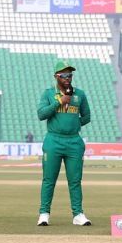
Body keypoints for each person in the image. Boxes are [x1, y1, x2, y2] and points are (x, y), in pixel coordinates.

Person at [36, 60, 92, 227]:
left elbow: (87, 117)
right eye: (64, 75)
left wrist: (73, 125)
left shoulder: (80, 94)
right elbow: (41, 114)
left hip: (74, 141)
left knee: (75, 180)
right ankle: (44, 214)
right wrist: (60, 102)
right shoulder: (48, 93)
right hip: (53, 140)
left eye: (70, 74)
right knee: (48, 180)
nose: (68, 78)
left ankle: (78, 214)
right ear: (56, 76)